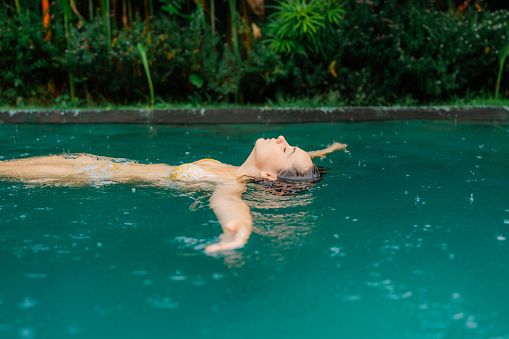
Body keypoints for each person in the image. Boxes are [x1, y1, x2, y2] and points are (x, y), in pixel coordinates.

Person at [0, 136, 347, 252]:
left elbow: (229, 205)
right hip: (97, 165)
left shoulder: (232, 183)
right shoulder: (236, 169)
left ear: (270, 174)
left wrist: (238, 232)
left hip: (93, 177)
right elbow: (297, 168)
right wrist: (325, 152)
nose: (283, 140)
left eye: (287, 149)